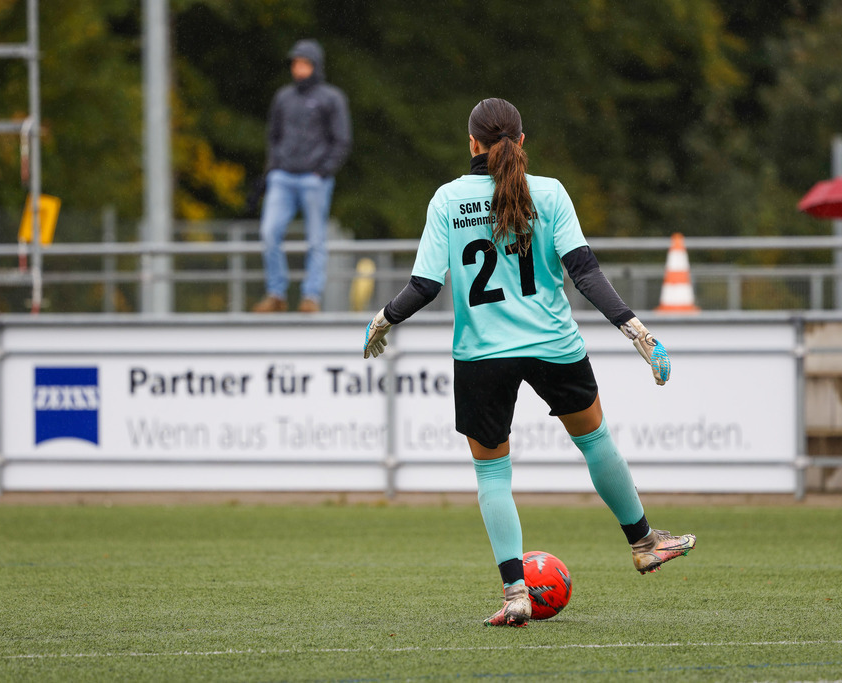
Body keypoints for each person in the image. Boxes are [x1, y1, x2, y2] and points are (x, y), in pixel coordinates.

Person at [362, 98, 696, 627]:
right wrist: (634, 327)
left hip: (481, 356)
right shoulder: (551, 191)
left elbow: (424, 286)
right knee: (595, 440)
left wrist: (383, 320)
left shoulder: (448, 199)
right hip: (553, 346)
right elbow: (585, 274)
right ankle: (644, 542)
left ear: (472, 143)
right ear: (522, 142)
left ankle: (516, 592)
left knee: (492, 472)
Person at [252, 39, 351, 314]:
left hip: (313, 179)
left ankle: (311, 296)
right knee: (269, 233)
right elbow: (273, 136)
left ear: (316, 66)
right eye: (295, 63)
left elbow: (342, 140)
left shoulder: (332, 98)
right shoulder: (283, 97)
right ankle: (276, 293)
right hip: (282, 177)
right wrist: (272, 169)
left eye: (304, 63)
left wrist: (323, 171)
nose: (298, 68)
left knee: (316, 239)